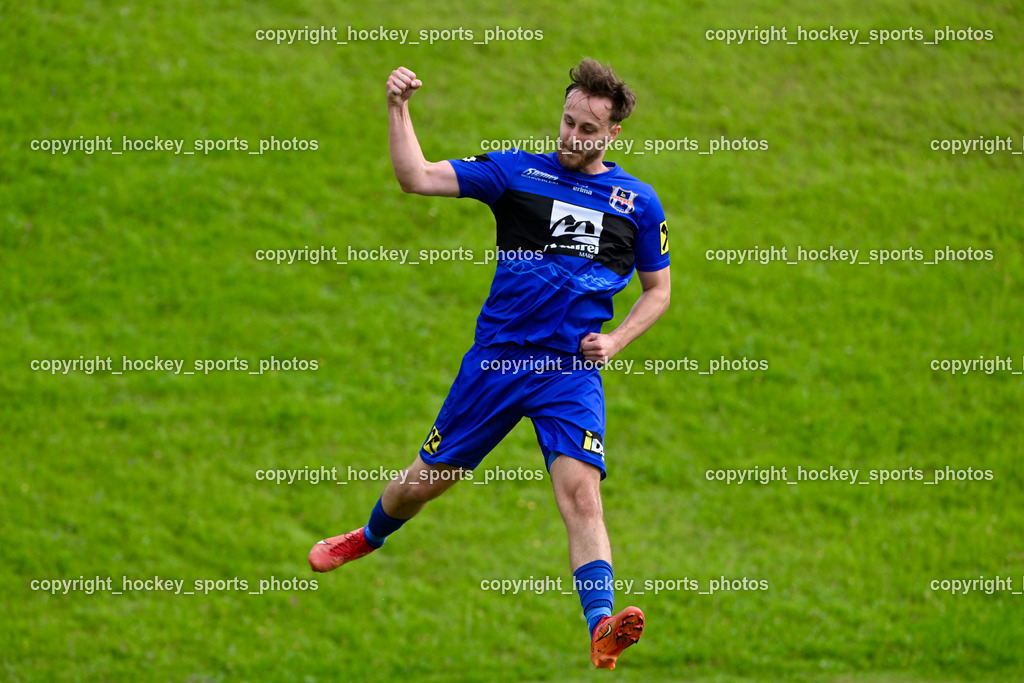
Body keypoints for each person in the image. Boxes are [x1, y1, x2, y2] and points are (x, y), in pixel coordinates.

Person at [309, 58, 671, 670]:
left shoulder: (637, 202)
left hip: (569, 373)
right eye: (568, 122)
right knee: (426, 481)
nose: (572, 137)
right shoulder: (514, 171)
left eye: (588, 130)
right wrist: (398, 110)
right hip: (498, 363)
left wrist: (616, 342)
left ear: (613, 134)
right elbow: (417, 177)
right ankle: (366, 536)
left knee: (582, 497)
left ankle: (601, 625)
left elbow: (657, 290)